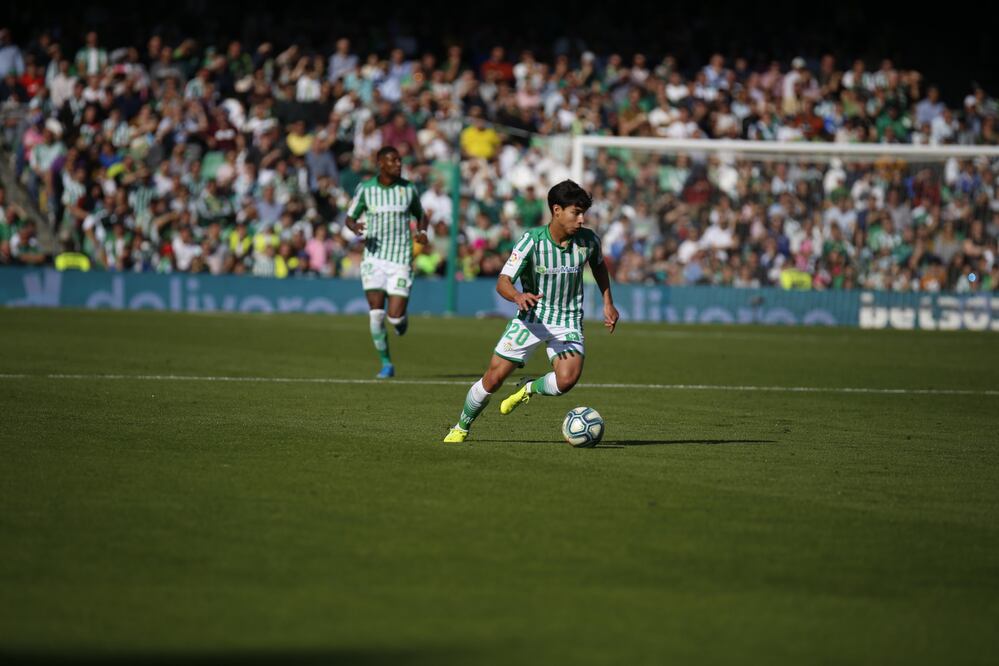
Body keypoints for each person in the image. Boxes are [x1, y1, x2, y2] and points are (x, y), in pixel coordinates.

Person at [443, 180, 619, 443]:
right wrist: (517, 295)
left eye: (584, 213)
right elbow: (503, 281)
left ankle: (529, 387)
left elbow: (599, 267)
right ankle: (461, 426)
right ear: (556, 210)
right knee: (493, 379)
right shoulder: (532, 241)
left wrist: (608, 302)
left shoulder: (589, 240)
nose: (581, 219)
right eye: (576, 212)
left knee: (566, 381)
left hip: (567, 319)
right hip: (532, 318)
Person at [344, 145, 429, 378]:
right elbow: (349, 218)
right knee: (376, 314)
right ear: (380, 163)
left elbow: (421, 214)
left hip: (401, 258)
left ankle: (400, 320)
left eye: (399, 160)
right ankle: (386, 363)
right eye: (392, 160)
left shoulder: (408, 189)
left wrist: (422, 231)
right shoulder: (366, 189)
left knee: (394, 317)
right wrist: (355, 227)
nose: (398, 164)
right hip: (374, 258)